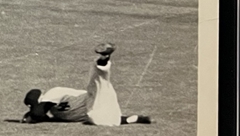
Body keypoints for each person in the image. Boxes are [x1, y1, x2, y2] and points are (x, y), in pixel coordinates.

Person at [21, 43, 151, 126]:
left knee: (98, 81)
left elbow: (37, 113)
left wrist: (31, 113)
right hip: (96, 108)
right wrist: (138, 119)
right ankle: (138, 119)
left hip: (92, 96)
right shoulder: (56, 114)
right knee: (102, 120)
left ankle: (103, 59)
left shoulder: (54, 93)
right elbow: (39, 115)